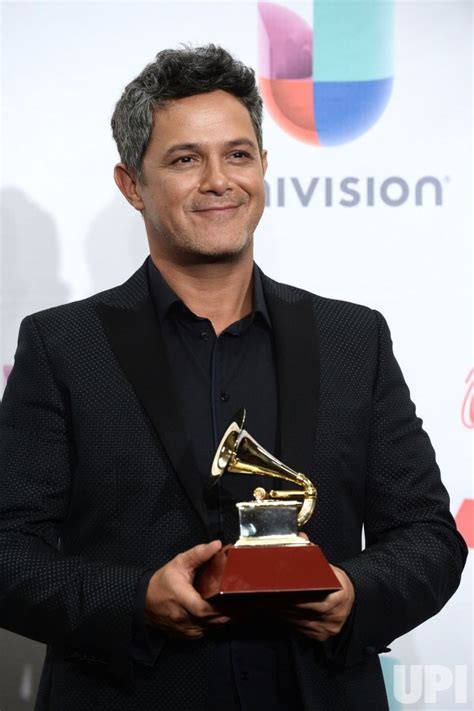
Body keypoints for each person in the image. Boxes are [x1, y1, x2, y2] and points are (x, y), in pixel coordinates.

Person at [0, 45, 467, 711]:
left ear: (264, 167)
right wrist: (135, 600)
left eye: (239, 154)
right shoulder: (63, 347)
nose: (219, 179)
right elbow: (8, 551)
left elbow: (427, 534)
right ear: (131, 183)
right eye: (186, 158)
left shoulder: (353, 339)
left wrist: (355, 592)